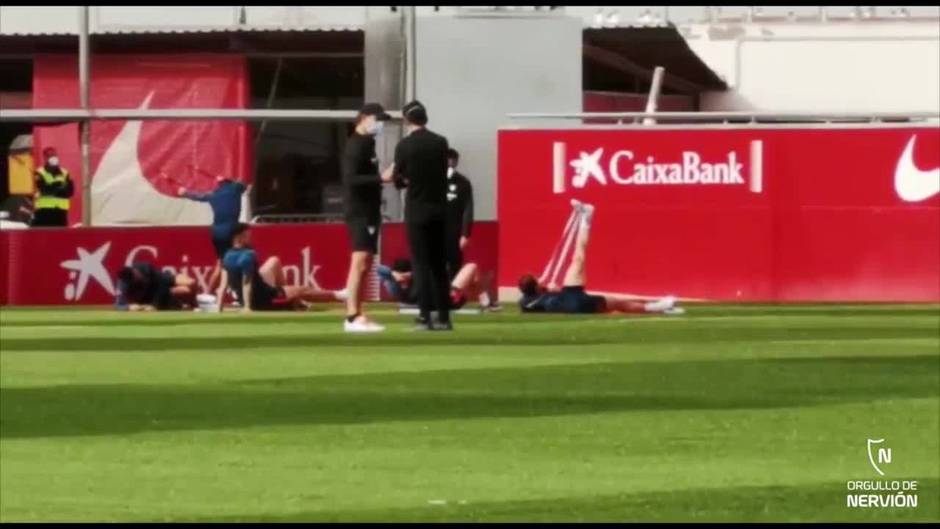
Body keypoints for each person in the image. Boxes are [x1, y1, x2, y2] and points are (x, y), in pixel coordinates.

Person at [518, 200, 684, 316]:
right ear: (535, 285)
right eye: (537, 280)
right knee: (580, 257)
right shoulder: (532, 300)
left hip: (571, 297)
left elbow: (540, 299)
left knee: (579, 259)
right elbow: (542, 298)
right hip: (576, 301)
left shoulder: (528, 301)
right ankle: (587, 218)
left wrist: (550, 290)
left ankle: (660, 307)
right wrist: (549, 291)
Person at [385, 100, 453, 331]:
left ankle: (425, 315)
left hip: (417, 210)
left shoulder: (405, 146)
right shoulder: (440, 142)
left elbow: (398, 177)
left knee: (421, 264)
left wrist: (404, 180)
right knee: (438, 265)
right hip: (439, 210)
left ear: (407, 120)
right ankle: (444, 316)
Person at [341, 102, 393, 332]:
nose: (380, 124)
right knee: (360, 260)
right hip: (359, 210)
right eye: (377, 119)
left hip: (369, 209)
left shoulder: (368, 144)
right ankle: (352, 315)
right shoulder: (356, 146)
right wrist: (381, 179)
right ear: (363, 118)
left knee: (366, 262)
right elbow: (350, 179)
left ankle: (357, 311)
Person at [217, 223, 344, 312]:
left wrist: (219, 309)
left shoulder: (226, 256)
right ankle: (340, 295)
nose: (250, 238)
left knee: (274, 261)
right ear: (239, 237)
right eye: (247, 236)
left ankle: (289, 296)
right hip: (264, 297)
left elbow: (222, 287)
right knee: (303, 289)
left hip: (252, 296)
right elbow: (247, 283)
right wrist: (247, 307)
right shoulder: (248, 255)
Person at [174, 173, 248, 295]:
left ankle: (208, 293)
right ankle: (237, 293)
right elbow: (244, 183)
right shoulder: (235, 188)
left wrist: (185, 192)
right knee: (239, 262)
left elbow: (198, 196)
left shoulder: (214, 194)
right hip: (231, 231)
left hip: (216, 232)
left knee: (221, 263)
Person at [377, 258, 501, 313]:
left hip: (447, 298)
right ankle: (487, 300)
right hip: (449, 299)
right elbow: (380, 269)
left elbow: (381, 270)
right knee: (472, 268)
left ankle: (486, 300)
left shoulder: (402, 285)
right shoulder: (399, 288)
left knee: (476, 280)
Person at [114, 262, 197, 311]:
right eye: (134, 278)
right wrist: (128, 307)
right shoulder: (123, 283)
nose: (137, 276)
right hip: (150, 297)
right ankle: (180, 304)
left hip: (163, 281)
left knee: (192, 283)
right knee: (185, 291)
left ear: (134, 270)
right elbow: (118, 305)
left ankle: (194, 304)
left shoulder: (146, 267)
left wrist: (155, 305)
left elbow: (162, 283)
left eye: (136, 274)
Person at [445, 148, 474, 279]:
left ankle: (453, 295)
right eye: (447, 160)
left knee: (454, 264)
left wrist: (465, 234)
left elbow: (468, 209)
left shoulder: (463, 183)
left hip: (454, 231)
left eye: (453, 160)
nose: (450, 163)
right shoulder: (432, 180)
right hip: (435, 230)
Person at [31, 147, 74, 228]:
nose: (53, 158)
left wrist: (54, 188)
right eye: (50, 156)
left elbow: (70, 192)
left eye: (54, 155)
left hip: (61, 213)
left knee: (60, 237)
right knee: (43, 236)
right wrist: (60, 187)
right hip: (44, 213)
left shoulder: (65, 172)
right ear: (45, 158)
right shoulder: (39, 172)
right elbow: (44, 190)